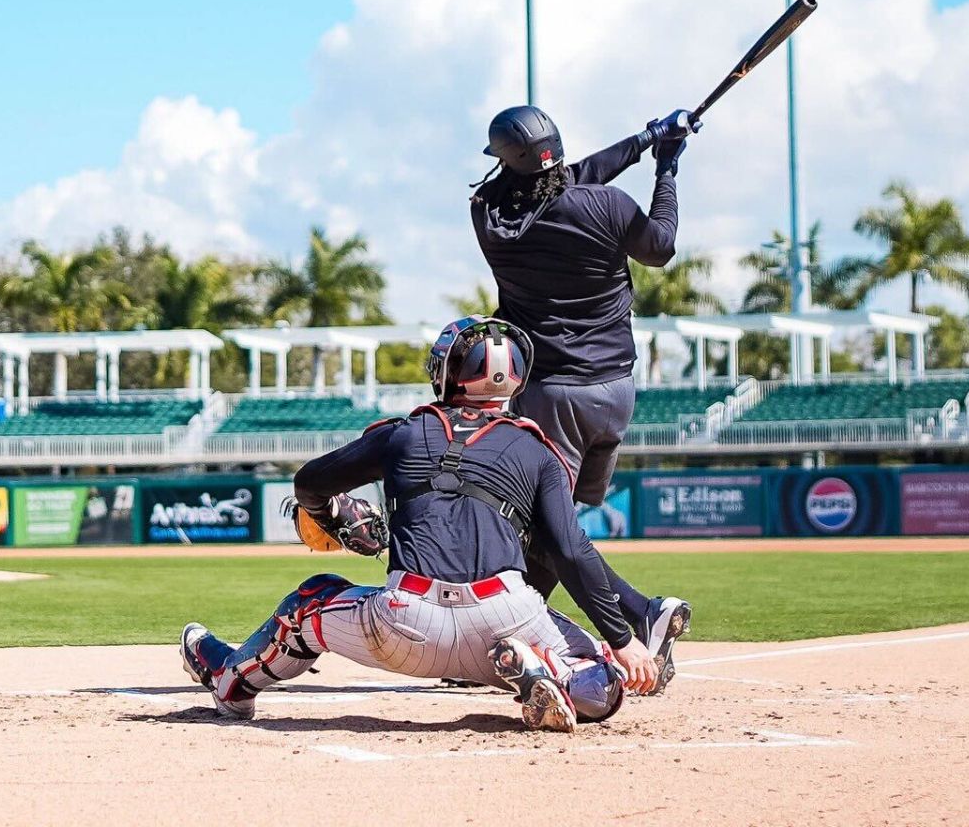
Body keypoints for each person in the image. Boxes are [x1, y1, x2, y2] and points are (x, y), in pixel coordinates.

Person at [180, 317, 661, 734]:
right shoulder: (539, 451)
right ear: (516, 380)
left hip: (404, 621)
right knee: (603, 675)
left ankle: (231, 684)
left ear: (445, 372)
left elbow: (308, 483)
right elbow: (571, 553)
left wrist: (332, 519)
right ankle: (548, 669)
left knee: (310, 601)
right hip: (506, 615)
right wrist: (623, 640)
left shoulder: (402, 433)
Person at [470, 104, 695, 687]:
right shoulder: (610, 207)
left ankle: (642, 613)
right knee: (548, 528)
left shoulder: (488, 215)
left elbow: (564, 185)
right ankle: (507, 641)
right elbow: (660, 245)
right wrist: (664, 166)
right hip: (616, 391)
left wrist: (645, 139)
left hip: (551, 396)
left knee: (549, 529)